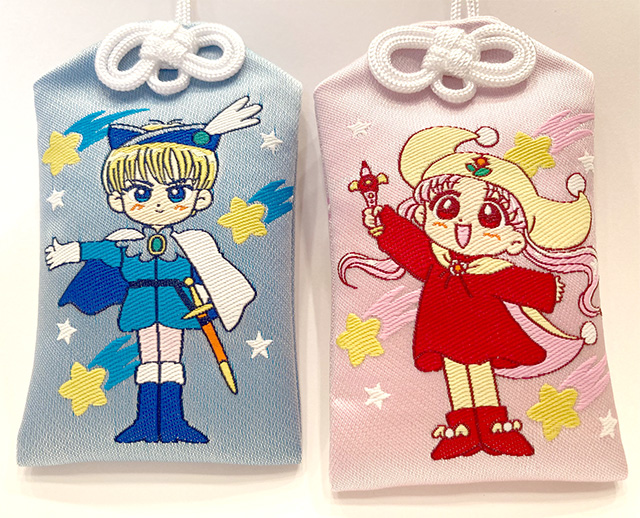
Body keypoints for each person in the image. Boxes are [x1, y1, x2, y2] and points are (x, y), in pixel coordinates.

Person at [45, 97, 261, 444]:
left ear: (200, 198)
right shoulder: (128, 242)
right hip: (142, 303)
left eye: (176, 192)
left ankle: (173, 422)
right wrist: (71, 252)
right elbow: (104, 251)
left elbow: (208, 272)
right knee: (150, 360)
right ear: (118, 199)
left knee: (170, 360)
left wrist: (209, 298)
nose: (159, 203)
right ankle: (146, 422)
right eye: (142, 192)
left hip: (179, 305)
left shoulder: (193, 242)